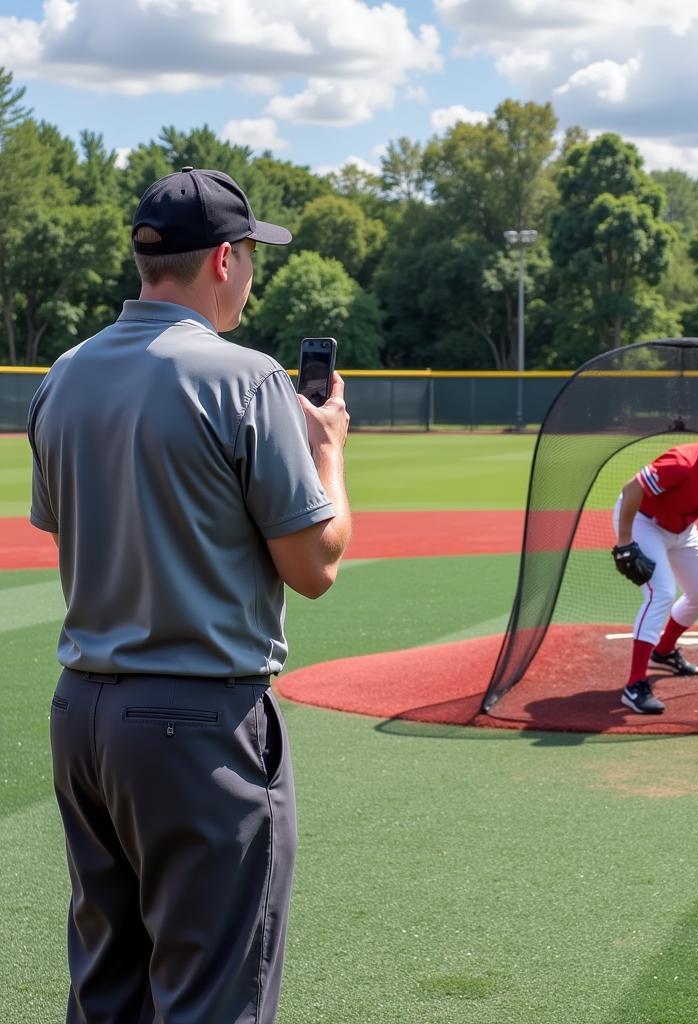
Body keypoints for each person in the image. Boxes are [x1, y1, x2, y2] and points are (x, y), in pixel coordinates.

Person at [27, 167, 352, 1023]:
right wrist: (331, 454)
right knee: (212, 997)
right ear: (222, 259)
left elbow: (65, 526)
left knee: (107, 992)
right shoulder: (246, 379)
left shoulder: (64, 373)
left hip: (82, 716)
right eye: (250, 253)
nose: (250, 270)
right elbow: (314, 567)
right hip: (197, 728)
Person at [611, 407, 698, 714]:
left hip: (682, 528)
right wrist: (625, 542)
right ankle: (634, 685)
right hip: (643, 522)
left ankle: (662, 651)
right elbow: (631, 489)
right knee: (660, 593)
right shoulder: (682, 462)